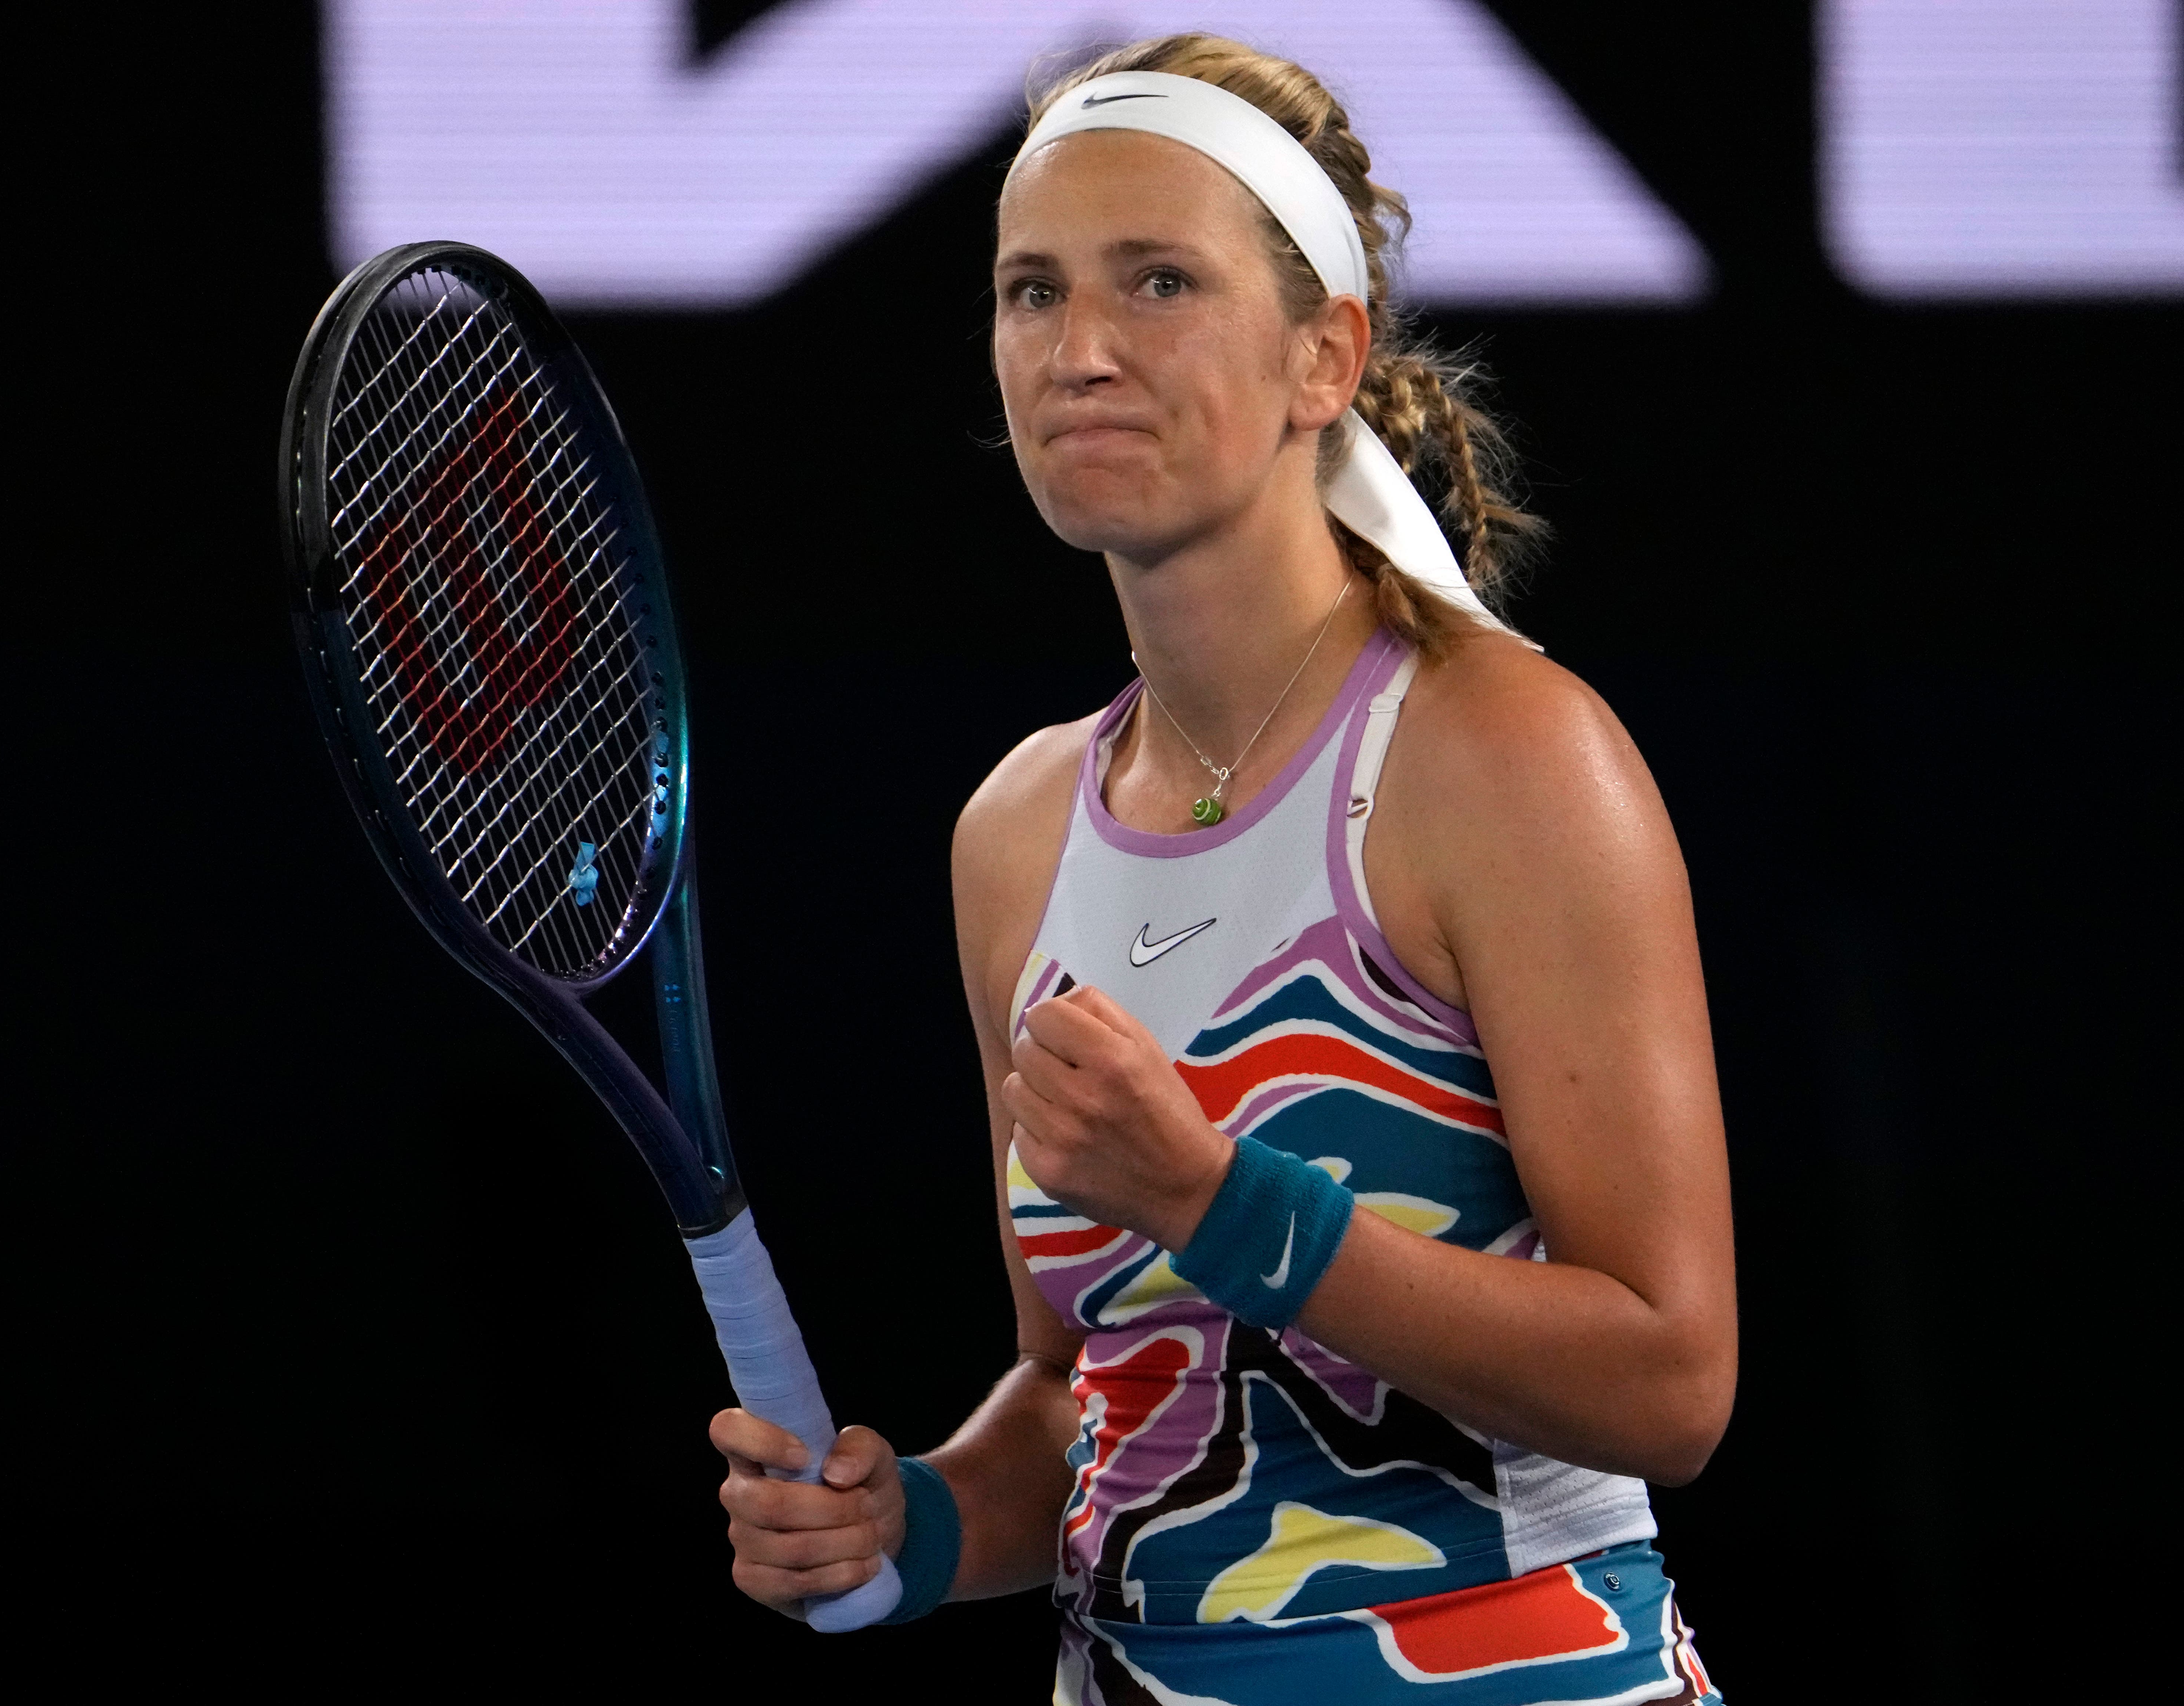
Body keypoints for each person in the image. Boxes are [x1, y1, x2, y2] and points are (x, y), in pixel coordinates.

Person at [710, 34, 1733, 1705]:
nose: (1080, 350)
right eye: (1031, 292)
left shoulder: (1510, 758)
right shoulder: (1016, 831)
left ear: (1324, 356)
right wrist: (916, 1527)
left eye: (1160, 282)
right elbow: (1083, 1383)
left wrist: (1219, 1202)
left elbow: (1673, 1378)